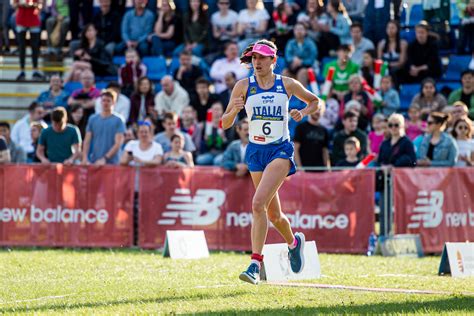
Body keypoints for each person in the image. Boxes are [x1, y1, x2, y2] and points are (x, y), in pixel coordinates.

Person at [221, 39, 321, 285]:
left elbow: (316, 101)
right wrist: (233, 111)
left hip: (280, 150)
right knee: (274, 214)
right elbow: (224, 123)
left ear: (273, 61)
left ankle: (255, 263)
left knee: (257, 204)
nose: (257, 62)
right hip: (256, 151)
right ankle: (294, 243)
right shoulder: (243, 86)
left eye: (262, 58)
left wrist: (303, 112)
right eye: (254, 58)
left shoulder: (286, 84)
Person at [82, 90, 126, 165]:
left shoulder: (119, 120)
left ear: (114, 103)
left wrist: (105, 159)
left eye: (108, 101)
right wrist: (85, 158)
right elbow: (87, 140)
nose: (105, 103)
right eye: (104, 100)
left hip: (113, 163)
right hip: (95, 161)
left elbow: (118, 143)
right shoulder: (93, 119)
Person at [14, 0, 43, 81]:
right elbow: (14, 4)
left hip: (33, 18)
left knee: (35, 46)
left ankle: (35, 70)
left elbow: (41, 5)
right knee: (21, 47)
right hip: (21, 18)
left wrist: (33, 5)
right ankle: (22, 70)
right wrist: (20, 4)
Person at [283, 22, 318, 88]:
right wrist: (294, 60)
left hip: (309, 69)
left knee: (302, 73)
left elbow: (311, 60)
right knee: (285, 73)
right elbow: (288, 56)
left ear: (305, 31)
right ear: (294, 31)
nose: (299, 31)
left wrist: (301, 62)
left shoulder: (311, 43)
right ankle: (286, 97)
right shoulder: (290, 43)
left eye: (301, 29)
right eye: (297, 29)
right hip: (294, 67)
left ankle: (302, 97)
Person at [196, 101, 227, 165]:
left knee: (217, 161)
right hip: (209, 153)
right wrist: (205, 140)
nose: (216, 112)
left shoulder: (227, 124)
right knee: (199, 160)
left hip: (222, 152)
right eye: (214, 109)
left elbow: (230, 144)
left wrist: (224, 139)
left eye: (218, 109)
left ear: (222, 111)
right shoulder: (205, 125)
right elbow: (201, 146)